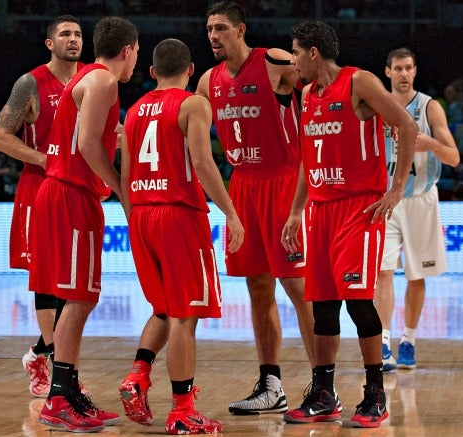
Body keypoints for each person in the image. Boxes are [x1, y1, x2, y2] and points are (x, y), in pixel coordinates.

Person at [282, 20, 417, 427]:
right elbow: (309, 158)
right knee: (322, 307)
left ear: (314, 53)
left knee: (359, 303)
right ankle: (323, 394)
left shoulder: (360, 83)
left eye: (295, 52)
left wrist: (396, 190)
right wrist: (295, 211)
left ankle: (375, 395)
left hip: (359, 209)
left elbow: (407, 126)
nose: (292, 61)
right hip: (319, 210)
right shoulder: (306, 94)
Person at [195, 1, 316, 415]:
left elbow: (323, 85)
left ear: (241, 30)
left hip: (283, 181)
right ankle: (271, 384)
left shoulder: (275, 62)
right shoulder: (208, 81)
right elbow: (191, 134)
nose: (213, 34)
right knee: (258, 288)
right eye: (209, 28)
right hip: (242, 186)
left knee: (299, 288)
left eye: (221, 27)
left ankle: (323, 384)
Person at [118, 38, 244, 435]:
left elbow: (124, 173)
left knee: (165, 307)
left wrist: (136, 215)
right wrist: (232, 214)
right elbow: (204, 164)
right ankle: (183, 409)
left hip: (140, 214)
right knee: (185, 316)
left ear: (152, 72)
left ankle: (138, 375)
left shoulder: (135, 110)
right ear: (192, 70)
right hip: (178, 214)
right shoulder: (193, 104)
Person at [28, 16, 139, 432]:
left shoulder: (87, 79)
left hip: (65, 193)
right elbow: (87, 145)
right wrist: (120, 190)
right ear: (127, 50)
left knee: (80, 297)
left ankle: (70, 391)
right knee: (77, 298)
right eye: (135, 54)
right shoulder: (104, 82)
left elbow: (100, 137)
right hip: (71, 194)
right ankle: (59, 397)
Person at [0, 14, 84, 399]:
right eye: (65, 34)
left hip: (77, 189)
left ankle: (39, 354)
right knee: (47, 279)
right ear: (50, 43)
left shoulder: (91, 79)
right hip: (39, 186)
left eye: (78, 34)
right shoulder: (30, 83)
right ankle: (58, 370)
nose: (74, 39)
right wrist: (45, 159)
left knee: (73, 283)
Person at [373, 48, 460, 373]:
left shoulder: (430, 107)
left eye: (409, 67)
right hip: (386, 199)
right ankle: (382, 342)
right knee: (382, 273)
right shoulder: (376, 103)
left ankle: (408, 339)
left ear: (415, 70)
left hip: (421, 197)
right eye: (398, 68)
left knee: (417, 274)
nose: (404, 73)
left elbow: (454, 158)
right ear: (388, 71)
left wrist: (432, 144)